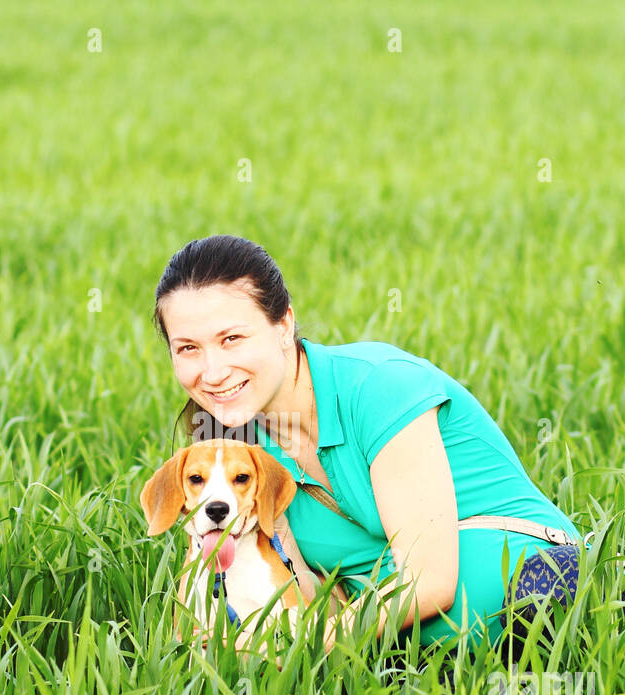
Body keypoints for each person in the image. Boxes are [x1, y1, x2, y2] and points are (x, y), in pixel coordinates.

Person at [151, 234, 601, 658]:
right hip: (408, 650)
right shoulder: (239, 456)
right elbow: (316, 593)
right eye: (188, 348)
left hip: (530, 590)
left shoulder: (379, 385)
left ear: (283, 325)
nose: (211, 371)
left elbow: (428, 581)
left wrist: (302, 643)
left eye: (232, 339)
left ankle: (600, 602)